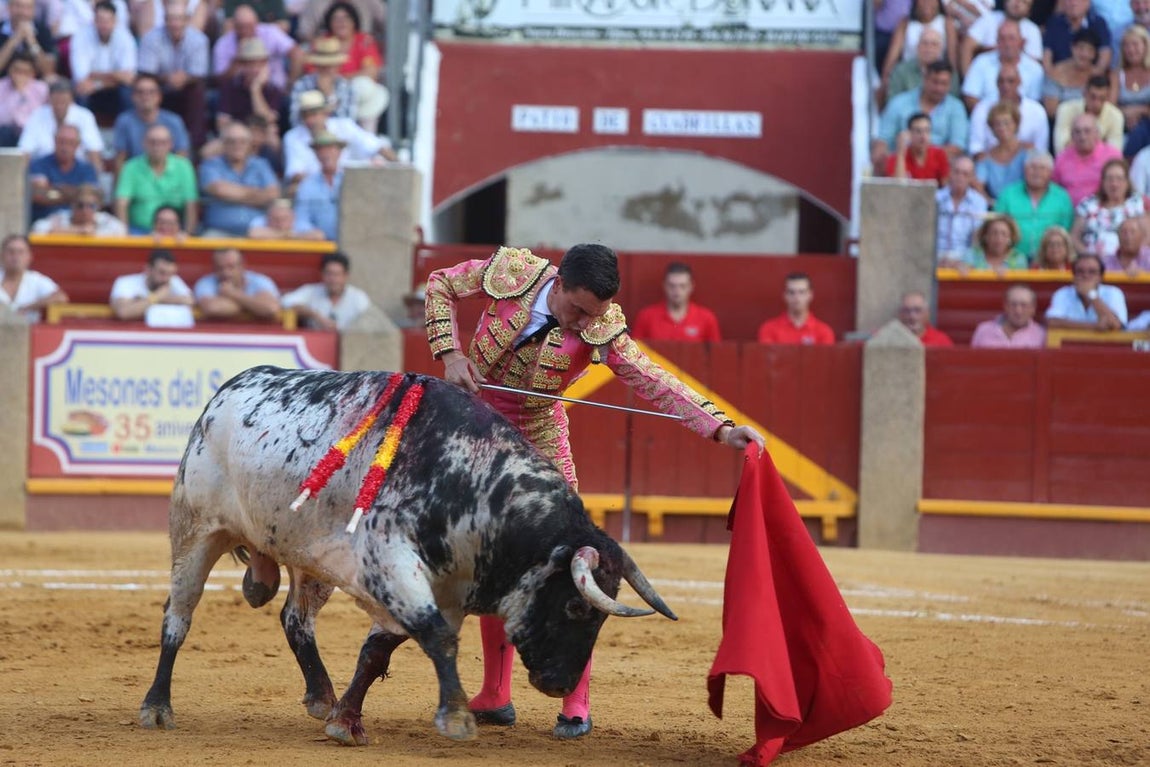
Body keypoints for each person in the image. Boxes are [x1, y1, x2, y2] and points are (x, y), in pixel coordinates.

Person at [425, 243, 765, 740]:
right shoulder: (511, 272)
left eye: (594, 315)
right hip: (475, 429)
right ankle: (495, 694)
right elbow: (440, 283)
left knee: (572, 562)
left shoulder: (602, 325)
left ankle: (576, 701)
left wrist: (720, 428)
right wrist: (450, 352)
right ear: (557, 283)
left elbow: (654, 379)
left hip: (540, 436)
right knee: (487, 557)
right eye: (578, 310)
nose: (583, 324)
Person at [137, 0, 209, 150]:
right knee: (146, 88)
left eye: (179, 19)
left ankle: (195, 145)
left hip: (188, 85)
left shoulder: (199, 40)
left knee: (198, 91)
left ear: (187, 20)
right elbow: (146, 72)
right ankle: (149, 140)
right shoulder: (151, 38)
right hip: (160, 83)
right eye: (171, 19)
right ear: (165, 20)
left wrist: (185, 78)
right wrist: (167, 78)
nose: (175, 23)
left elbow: (199, 73)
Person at [282, 88, 392, 184]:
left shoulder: (345, 126)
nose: (310, 120)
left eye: (314, 114)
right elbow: (295, 175)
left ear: (325, 113)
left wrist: (402, 167)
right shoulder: (293, 137)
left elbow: (378, 147)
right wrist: (327, 182)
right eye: (306, 115)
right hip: (316, 189)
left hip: (353, 184)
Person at [311, 0, 387, 130]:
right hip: (326, 92)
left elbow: (371, 71)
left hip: (356, 95)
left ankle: (365, 134)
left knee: (368, 88)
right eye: (336, 18)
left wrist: (341, 79)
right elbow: (314, 73)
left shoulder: (364, 41)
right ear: (329, 22)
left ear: (354, 21)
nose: (341, 22)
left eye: (346, 18)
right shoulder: (323, 43)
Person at [198, 122, 279, 237]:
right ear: (224, 144)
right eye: (232, 141)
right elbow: (220, 190)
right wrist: (258, 196)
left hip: (257, 232)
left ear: (250, 145)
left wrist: (232, 196)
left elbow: (272, 194)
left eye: (242, 141)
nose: (237, 146)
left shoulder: (261, 164)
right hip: (219, 231)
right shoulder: (210, 165)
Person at [114, 123, 198, 234]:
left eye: (162, 143)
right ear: (144, 143)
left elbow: (191, 204)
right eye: (152, 142)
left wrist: (188, 234)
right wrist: (124, 234)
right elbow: (121, 203)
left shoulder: (184, 166)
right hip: (139, 231)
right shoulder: (130, 167)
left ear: (171, 144)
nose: (157, 147)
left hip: (175, 232)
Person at [994, 150, 1076, 258]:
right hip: (1013, 258)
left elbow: (1066, 230)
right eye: (1032, 167)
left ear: (1051, 173)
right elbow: (997, 226)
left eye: (1042, 168)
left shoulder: (1062, 197)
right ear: (1024, 170)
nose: (1037, 172)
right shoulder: (1008, 195)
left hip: (1049, 260)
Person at [879, 61, 969, 155]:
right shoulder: (899, 102)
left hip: (940, 163)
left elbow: (957, 146)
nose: (939, 88)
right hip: (903, 161)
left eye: (944, 83)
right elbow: (883, 138)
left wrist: (925, 158)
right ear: (925, 79)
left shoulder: (956, 107)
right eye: (935, 82)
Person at [69, 0, 136, 123]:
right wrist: (115, 75)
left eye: (108, 21)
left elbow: (128, 78)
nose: (104, 25)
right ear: (94, 20)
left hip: (112, 89)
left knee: (128, 91)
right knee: (81, 90)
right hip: (90, 89)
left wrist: (97, 80)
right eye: (100, 20)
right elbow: (82, 78)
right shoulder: (80, 37)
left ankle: (126, 128)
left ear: (115, 21)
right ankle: (82, 129)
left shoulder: (125, 38)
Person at [967, 63, 1049, 157]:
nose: (1005, 86)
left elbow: (1041, 150)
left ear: (1019, 82)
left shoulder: (1037, 111)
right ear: (996, 83)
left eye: (1011, 81)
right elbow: (976, 148)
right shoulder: (982, 109)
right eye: (1001, 81)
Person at [17, 78, 104, 167]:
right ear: (49, 99)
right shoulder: (37, 115)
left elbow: (94, 150)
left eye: (63, 102)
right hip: (44, 169)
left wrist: (95, 178)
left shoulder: (85, 116)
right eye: (56, 101)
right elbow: (25, 150)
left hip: (75, 170)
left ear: (71, 101)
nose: (59, 106)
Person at [212, 4, 298, 92]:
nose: (245, 31)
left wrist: (290, 85)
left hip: (274, 91)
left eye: (249, 26)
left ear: (256, 23)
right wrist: (237, 60)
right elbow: (219, 81)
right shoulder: (223, 43)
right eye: (241, 27)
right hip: (237, 94)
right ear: (234, 26)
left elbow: (296, 53)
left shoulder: (270, 32)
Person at [1070, 157, 1146, 257]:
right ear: (1102, 182)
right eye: (1110, 179)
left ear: (1127, 182)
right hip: (1094, 265)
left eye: (1119, 179)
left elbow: (1147, 236)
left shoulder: (1135, 204)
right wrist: (1089, 257)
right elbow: (1074, 237)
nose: (1114, 184)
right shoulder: (1088, 205)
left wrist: (1133, 257)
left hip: (1126, 265)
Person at [962, 20, 1045, 110]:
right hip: (987, 119)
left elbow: (1035, 103)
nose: (1007, 44)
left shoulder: (1035, 69)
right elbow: (970, 97)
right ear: (997, 41)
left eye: (1011, 38)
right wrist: (993, 117)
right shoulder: (981, 62)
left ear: (1022, 42)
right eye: (1002, 39)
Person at [629, 262, 721, 342]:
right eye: (672, 286)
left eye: (682, 286)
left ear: (691, 286)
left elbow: (715, 354)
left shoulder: (707, 318)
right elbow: (634, 353)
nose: (677, 291)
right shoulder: (646, 317)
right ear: (664, 286)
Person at [27, 123, 98, 222]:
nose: (65, 147)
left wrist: (53, 190)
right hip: (43, 226)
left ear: (78, 145)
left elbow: (90, 198)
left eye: (70, 143)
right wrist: (74, 194)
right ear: (54, 141)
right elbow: (39, 195)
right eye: (62, 142)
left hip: (77, 224)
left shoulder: (87, 169)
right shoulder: (38, 165)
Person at [280, 251, 369, 329]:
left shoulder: (358, 298)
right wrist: (315, 315)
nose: (333, 279)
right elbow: (285, 302)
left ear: (346, 276)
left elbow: (369, 323)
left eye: (337, 274)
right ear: (322, 274)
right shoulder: (311, 291)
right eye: (329, 273)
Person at [880, 0, 957, 89]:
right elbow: (892, 56)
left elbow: (952, 58)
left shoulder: (947, 23)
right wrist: (885, 79)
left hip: (938, 73)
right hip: (909, 73)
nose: (927, 3)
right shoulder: (905, 23)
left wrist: (953, 81)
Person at [214, 37, 285, 133]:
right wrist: (245, 132)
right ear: (242, 65)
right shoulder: (230, 86)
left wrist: (255, 90)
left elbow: (267, 120)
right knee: (213, 147)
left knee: (272, 134)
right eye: (250, 64)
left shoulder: (273, 89)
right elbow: (222, 123)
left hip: (262, 135)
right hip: (237, 135)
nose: (255, 69)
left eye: (260, 64)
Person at [1053, 113, 1123, 204]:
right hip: (1069, 213)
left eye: (1087, 131)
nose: (1082, 137)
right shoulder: (1062, 158)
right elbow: (1054, 191)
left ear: (1097, 133)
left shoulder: (1112, 156)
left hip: (1103, 213)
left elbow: (1123, 187)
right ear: (1071, 135)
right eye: (1077, 132)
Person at [193, 246, 280, 320]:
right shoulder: (205, 283)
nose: (226, 273)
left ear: (242, 266)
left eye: (231, 267)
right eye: (220, 268)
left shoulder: (260, 281)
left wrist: (232, 294)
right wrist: (254, 306)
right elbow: (212, 308)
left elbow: (270, 308)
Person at [1045, 252, 1128, 329]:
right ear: (1074, 276)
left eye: (1092, 272)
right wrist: (1093, 326)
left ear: (1100, 277)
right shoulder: (1062, 293)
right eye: (1080, 271)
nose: (1086, 276)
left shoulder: (1114, 293)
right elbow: (1052, 322)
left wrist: (1092, 294)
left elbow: (1116, 325)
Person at [109, 248, 194, 321]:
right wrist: (156, 297)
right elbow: (123, 312)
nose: (166, 278)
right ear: (148, 269)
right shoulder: (125, 282)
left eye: (170, 273)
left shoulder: (172, 279)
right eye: (161, 272)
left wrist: (145, 300)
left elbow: (190, 301)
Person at [0, 233, 67, 322]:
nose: (15, 257)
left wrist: (28, 307)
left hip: (28, 332)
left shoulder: (35, 280)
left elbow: (60, 297)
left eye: (21, 252)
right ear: (1, 255)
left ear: (29, 257)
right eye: (11, 252)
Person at [961, 0, 1043, 72]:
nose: (1017, 4)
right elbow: (967, 47)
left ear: (1029, 9)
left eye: (1024, 2)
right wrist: (969, 79)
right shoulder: (989, 19)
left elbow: (1034, 65)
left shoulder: (1033, 30)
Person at [886, 28, 962, 104]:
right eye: (924, 43)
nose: (929, 48)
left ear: (941, 49)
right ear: (917, 47)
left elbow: (953, 102)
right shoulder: (901, 71)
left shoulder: (950, 73)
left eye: (934, 44)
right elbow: (893, 102)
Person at [288, 35, 353, 125]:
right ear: (316, 66)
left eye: (331, 66)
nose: (328, 70)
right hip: (307, 133)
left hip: (337, 136)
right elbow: (295, 120)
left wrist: (329, 95)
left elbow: (347, 122)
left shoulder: (345, 86)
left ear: (338, 66)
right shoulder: (302, 84)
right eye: (323, 66)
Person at [755, 272, 835, 345]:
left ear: (810, 295)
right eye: (791, 292)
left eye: (802, 292)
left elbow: (825, 360)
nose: (797, 298)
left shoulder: (824, 331)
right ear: (785, 296)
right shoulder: (769, 329)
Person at [292, 128, 343, 240]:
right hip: (321, 245)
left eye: (330, 148)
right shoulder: (307, 185)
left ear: (339, 152)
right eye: (321, 149)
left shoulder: (350, 180)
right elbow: (301, 219)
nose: (325, 153)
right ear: (316, 154)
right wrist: (311, 232)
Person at [1052, 75, 1124, 152]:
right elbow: (1061, 148)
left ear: (1107, 97)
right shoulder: (1066, 109)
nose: (1096, 103)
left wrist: (1078, 142)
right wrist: (1101, 144)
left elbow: (1114, 153)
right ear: (1084, 93)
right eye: (1093, 97)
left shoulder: (1116, 116)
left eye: (1102, 99)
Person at [936, 155, 989, 261]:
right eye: (957, 172)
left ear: (972, 178)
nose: (960, 177)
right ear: (950, 173)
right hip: (935, 256)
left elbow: (977, 239)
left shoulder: (979, 202)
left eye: (965, 174)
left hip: (964, 259)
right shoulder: (935, 198)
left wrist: (967, 262)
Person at [973, 102, 1028, 200]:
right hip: (995, 209)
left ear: (1016, 124)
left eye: (1007, 123)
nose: (1002, 128)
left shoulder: (1028, 152)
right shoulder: (985, 158)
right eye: (997, 124)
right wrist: (991, 203)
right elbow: (978, 186)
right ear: (992, 128)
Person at [1043, 29, 1102, 120]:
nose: (1084, 54)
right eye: (1081, 48)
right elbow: (1051, 110)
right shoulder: (1055, 73)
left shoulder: (1098, 76)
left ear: (1094, 55)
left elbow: (1101, 107)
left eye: (1090, 50)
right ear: (1072, 48)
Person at [1043, 0, 1113, 73]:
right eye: (1069, 0)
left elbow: (1105, 53)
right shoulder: (1054, 23)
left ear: (1088, 3)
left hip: (1090, 78)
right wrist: (1054, 77)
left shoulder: (1098, 23)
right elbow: (1047, 55)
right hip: (1059, 76)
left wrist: (1094, 75)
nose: (1073, 3)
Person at [30, 183, 126, 235]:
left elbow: (121, 230)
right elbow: (38, 228)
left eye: (91, 206)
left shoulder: (105, 220)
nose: (85, 210)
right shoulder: (61, 217)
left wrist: (93, 233)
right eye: (80, 205)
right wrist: (78, 231)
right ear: (72, 205)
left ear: (98, 207)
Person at [970, 284, 1047, 347]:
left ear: (1033, 309)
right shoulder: (984, 330)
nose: (1018, 311)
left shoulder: (1041, 335)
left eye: (1024, 305)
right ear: (1005, 306)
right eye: (1013, 305)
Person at [886, 112, 951, 184]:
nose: (923, 136)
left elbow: (946, 187)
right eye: (918, 131)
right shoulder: (896, 158)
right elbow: (897, 188)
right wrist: (901, 153)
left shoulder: (939, 154)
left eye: (927, 131)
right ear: (909, 134)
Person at [0, 0, 57, 79]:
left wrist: (32, 42)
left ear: (33, 11)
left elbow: (48, 72)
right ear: (8, 7)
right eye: (18, 6)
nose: (23, 12)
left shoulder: (43, 31)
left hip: (35, 83)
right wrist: (14, 39)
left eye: (28, 7)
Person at [0, 51, 46, 146]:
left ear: (33, 73)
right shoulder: (1, 86)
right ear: (9, 70)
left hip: (33, 133)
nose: (20, 75)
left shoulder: (41, 89)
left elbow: (39, 117)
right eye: (17, 70)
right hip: (8, 134)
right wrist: (18, 93)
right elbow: (2, 119)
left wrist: (22, 92)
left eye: (25, 72)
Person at [1110, 25, 1150, 132]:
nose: (1131, 50)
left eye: (1135, 44)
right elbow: (1110, 106)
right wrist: (1127, 114)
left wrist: (1141, 110)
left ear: (1145, 46)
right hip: (1122, 124)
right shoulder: (1116, 74)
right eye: (1126, 46)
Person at [961, 213, 1029, 272]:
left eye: (1004, 234)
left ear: (1011, 237)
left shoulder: (1018, 258)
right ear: (985, 236)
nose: (999, 238)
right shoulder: (972, 255)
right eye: (994, 233)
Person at [246, 197, 324, 239]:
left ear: (293, 217)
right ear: (268, 217)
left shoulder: (299, 223)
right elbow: (253, 233)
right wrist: (286, 235)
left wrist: (294, 235)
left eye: (284, 219)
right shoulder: (260, 220)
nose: (280, 224)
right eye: (276, 219)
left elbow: (319, 235)